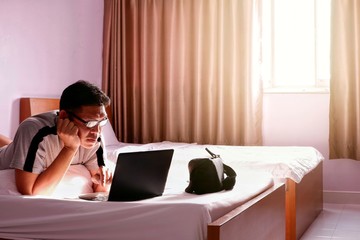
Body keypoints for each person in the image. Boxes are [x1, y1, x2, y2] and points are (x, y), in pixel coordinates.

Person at [0, 80, 113, 196]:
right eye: (90, 123)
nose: (97, 131)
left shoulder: (95, 135)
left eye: (102, 122)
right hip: (3, 157)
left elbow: (100, 186)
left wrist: (103, 181)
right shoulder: (33, 130)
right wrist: (70, 148)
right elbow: (31, 192)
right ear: (64, 116)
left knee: (11, 145)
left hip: (15, 148)